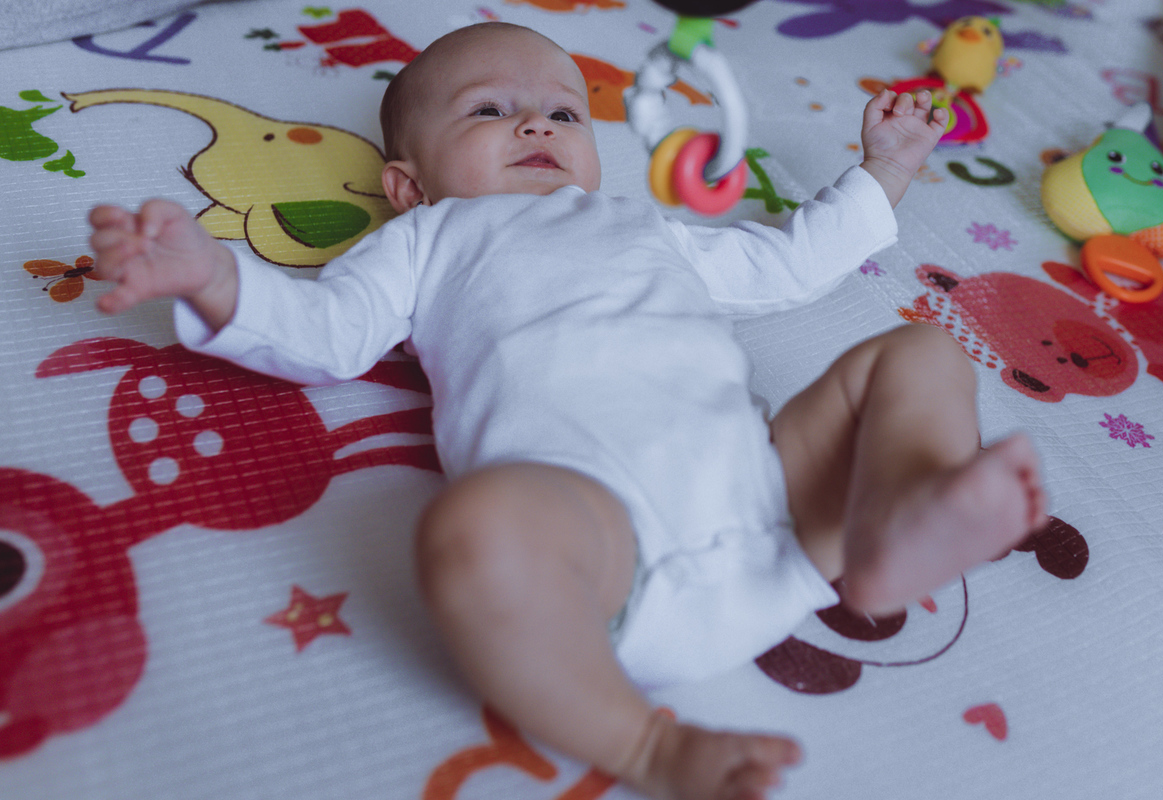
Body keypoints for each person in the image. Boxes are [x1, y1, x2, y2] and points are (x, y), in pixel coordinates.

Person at [88, 22, 1046, 800]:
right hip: (598, 560)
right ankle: (649, 748)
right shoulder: (428, 240)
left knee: (917, 352)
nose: (537, 125)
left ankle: (898, 516)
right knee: (474, 527)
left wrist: (886, 172)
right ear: (408, 185)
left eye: (562, 111)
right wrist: (217, 279)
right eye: (491, 110)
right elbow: (327, 331)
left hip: (781, 506)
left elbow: (785, 263)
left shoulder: (643, 227)